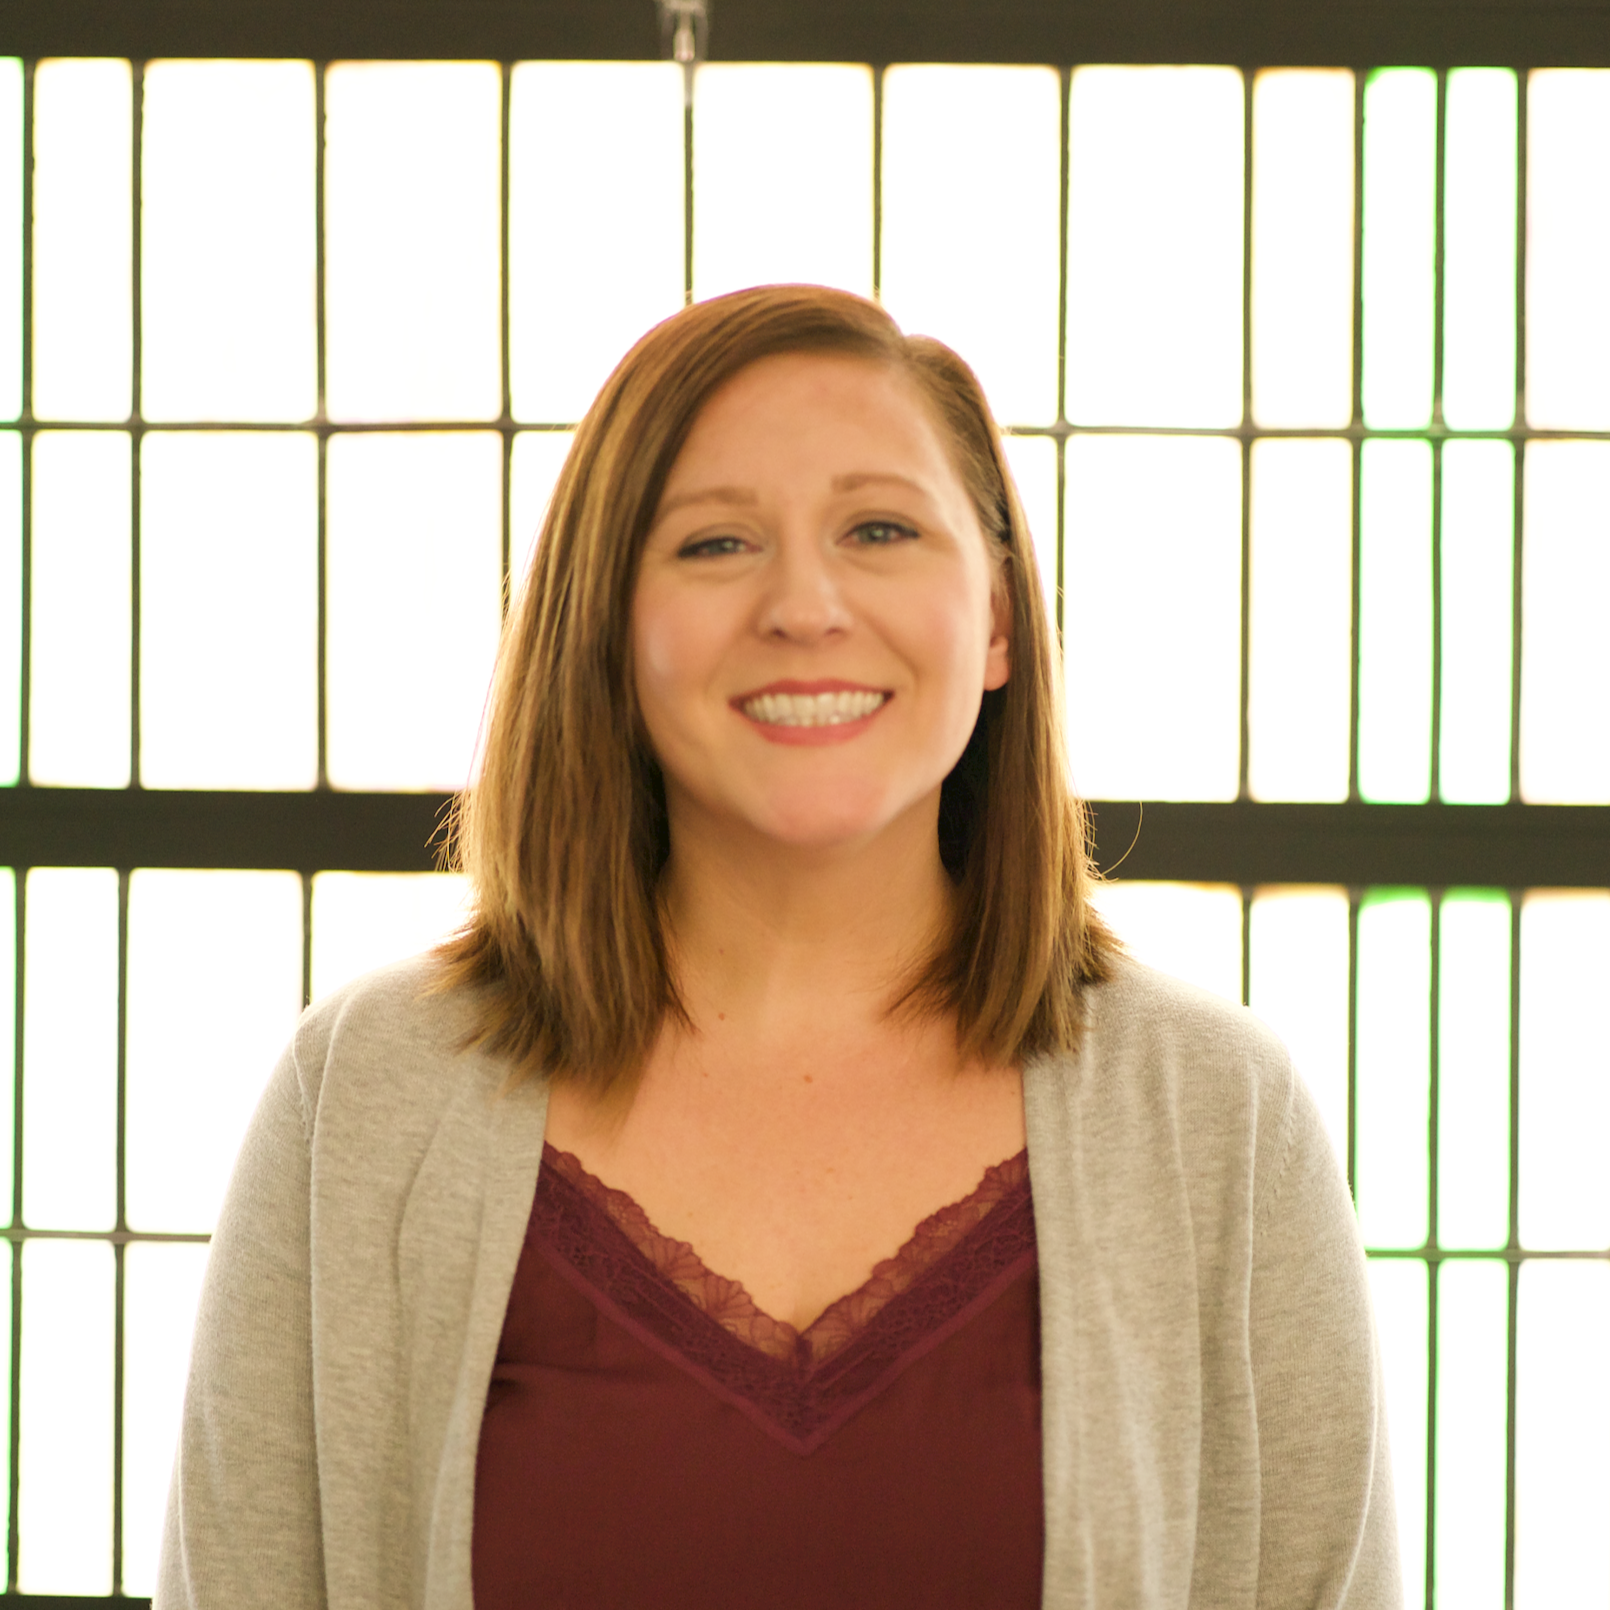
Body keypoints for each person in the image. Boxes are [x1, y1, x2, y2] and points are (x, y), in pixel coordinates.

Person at [156, 285, 1399, 1608]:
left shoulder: (1214, 1116)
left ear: (992, 621)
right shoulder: (367, 1094)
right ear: (607, 628)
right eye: (713, 544)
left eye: (879, 527)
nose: (804, 606)